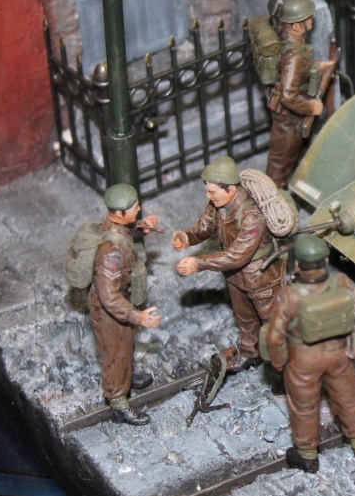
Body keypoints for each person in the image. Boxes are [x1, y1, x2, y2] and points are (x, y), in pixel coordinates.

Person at [266, 235, 355, 473]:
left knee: (304, 407)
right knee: (348, 398)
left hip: (303, 360)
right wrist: (354, 351)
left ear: (298, 265)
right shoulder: (342, 282)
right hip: (338, 354)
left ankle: (307, 456)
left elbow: (274, 336)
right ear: (326, 261)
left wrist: (280, 363)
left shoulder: (289, 295)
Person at [173, 156, 285, 371]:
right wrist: (187, 237)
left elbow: (237, 255)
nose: (208, 196)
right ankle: (250, 353)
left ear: (231, 190)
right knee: (244, 317)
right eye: (207, 191)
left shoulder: (253, 216)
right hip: (235, 275)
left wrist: (199, 263)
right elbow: (205, 226)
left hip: (260, 277)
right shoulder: (218, 204)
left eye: (212, 192)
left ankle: (283, 366)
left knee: (273, 324)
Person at [90, 183, 164, 426]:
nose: (139, 209)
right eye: (134, 208)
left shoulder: (116, 226)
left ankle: (126, 377)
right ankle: (118, 403)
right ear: (120, 213)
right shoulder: (111, 253)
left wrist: (143, 226)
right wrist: (138, 317)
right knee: (114, 353)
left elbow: (128, 232)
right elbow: (109, 297)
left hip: (123, 300)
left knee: (126, 345)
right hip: (111, 309)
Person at [265, 0, 336, 188]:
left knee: (299, 151)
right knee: (280, 163)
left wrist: (318, 66)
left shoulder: (290, 38)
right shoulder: (293, 55)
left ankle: (298, 187)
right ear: (297, 26)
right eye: (309, 19)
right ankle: (272, 199)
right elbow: (288, 96)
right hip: (289, 117)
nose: (312, 22)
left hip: (295, 113)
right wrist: (311, 107)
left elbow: (299, 68)